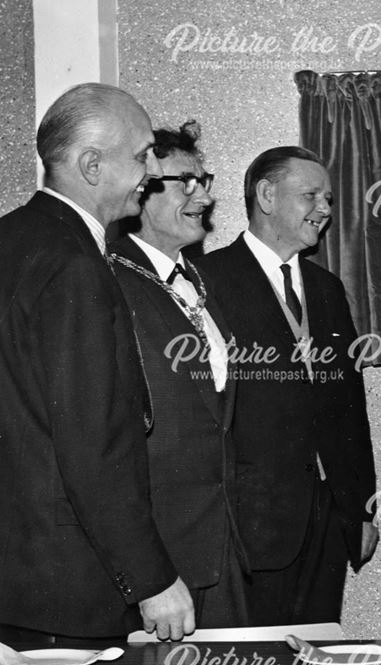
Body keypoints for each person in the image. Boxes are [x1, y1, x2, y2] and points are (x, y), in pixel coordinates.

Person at [0, 83, 194, 640]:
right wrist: (151, 580)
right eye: (140, 156)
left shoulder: (14, 239)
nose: (152, 172)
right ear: (90, 165)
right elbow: (93, 441)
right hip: (67, 581)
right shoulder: (75, 265)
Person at [196, 146, 379, 625]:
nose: (325, 210)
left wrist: (361, 509)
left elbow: (349, 409)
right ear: (266, 196)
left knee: (314, 663)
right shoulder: (207, 282)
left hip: (329, 519)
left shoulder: (328, 289)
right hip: (249, 521)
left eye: (329, 200)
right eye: (312, 196)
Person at [109, 121, 249, 628]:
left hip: (221, 547)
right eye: (186, 182)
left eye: (205, 180)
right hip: (154, 567)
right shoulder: (108, 282)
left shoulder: (201, 280)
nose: (204, 196)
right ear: (141, 193)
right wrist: (148, 577)